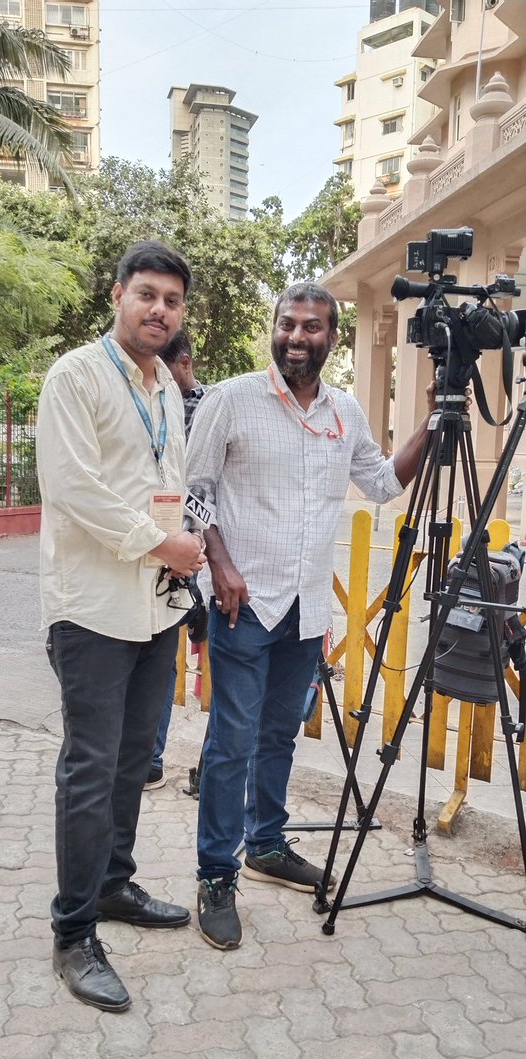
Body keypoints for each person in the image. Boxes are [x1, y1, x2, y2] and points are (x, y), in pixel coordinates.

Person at [186, 280, 435, 951]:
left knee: (277, 738)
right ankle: (215, 875)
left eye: (312, 328)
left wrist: (430, 424)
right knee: (230, 744)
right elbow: (191, 490)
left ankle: (265, 844)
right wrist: (219, 563)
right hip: (244, 604)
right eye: (287, 325)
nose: (297, 337)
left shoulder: (345, 412)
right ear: (274, 327)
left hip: (303, 610)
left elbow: (381, 484)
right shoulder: (230, 400)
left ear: (331, 336)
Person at [36, 240, 206, 1011]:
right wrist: (159, 542)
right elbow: (73, 488)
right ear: (116, 296)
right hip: (94, 609)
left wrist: (183, 543)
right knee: (91, 767)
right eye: (146, 295)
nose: (158, 310)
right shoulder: (75, 375)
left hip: (154, 607)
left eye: (170, 301)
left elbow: (163, 479)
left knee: (137, 758)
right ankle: (73, 933)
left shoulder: (167, 385)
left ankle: (113, 887)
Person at [144, 329, 207, 789]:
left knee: (199, 662)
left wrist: (188, 542)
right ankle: (148, 757)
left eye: (164, 370)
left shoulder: (205, 408)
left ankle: (202, 767)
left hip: (199, 558)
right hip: (154, 548)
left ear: (182, 364)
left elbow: (203, 489)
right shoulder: (146, 401)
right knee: (160, 659)